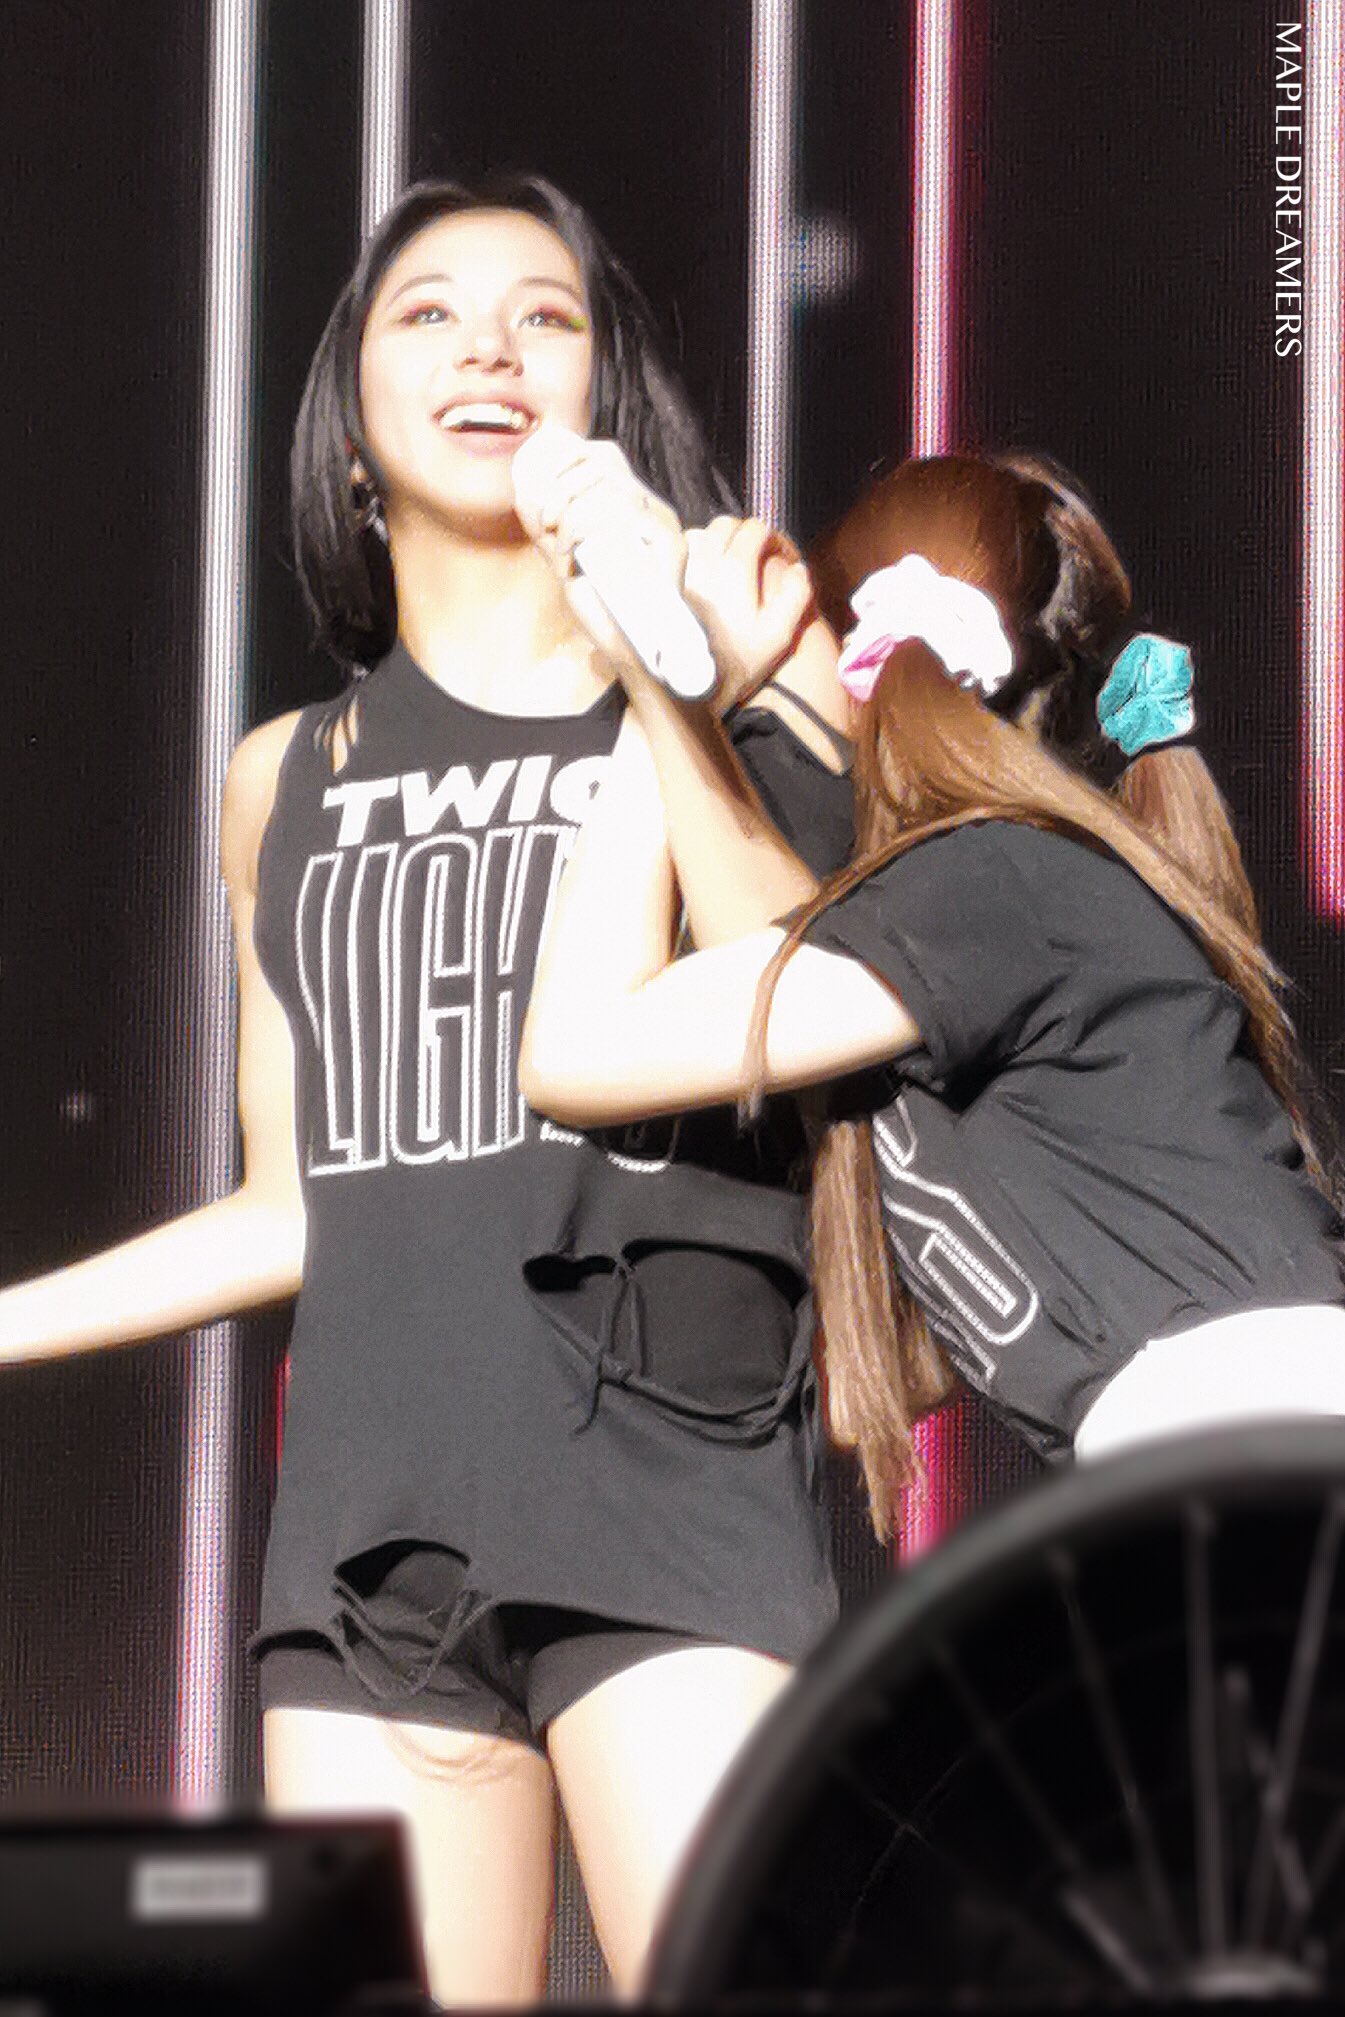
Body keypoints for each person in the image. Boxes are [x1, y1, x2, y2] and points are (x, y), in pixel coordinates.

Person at [0, 176, 855, 2005]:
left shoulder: (746, 680)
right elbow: (297, 1199)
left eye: (546, 316)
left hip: (670, 1485)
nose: (490, 346)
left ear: (609, 397)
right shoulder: (279, 776)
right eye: (430, 312)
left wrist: (670, 678)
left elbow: (809, 986)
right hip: (372, 1533)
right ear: (350, 418)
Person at [519, 449, 1345, 1539]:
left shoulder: (996, 882)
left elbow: (578, 1047)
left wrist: (667, 678)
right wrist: (680, 689)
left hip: (1250, 1440)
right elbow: (774, 951)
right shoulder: (1002, 898)